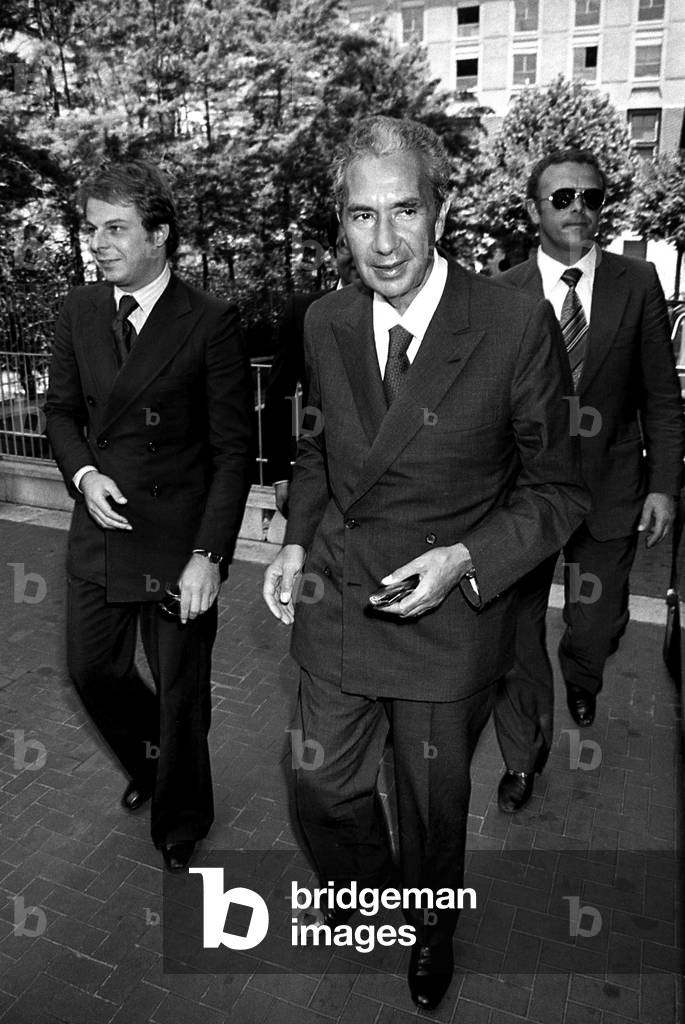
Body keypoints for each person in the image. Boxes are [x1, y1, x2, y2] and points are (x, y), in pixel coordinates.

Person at [262, 116, 589, 1010]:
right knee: (318, 783)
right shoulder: (325, 320)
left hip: (447, 616)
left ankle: (429, 925)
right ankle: (373, 894)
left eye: (403, 210)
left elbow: (559, 489)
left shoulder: (512, 323)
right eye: (361, 216)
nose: (384, 241)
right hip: (340, 594)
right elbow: (317, 449)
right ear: (340, 223)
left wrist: (465, 560)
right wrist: (294, 539)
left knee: (431, 807)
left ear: (439, 212)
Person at [45, 160, 253, 871]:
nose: (98, 244)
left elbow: (232, 452)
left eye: (116, 229)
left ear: (159, 234)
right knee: (90, 670)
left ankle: (181, 815)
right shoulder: (78, 311)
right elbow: (61, 412)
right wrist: (84, 474)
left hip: (177, 542)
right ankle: (153, 762)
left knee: (181, 694)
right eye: (92, 229)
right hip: (99, 527)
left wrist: (210, 555)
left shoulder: (210, 320)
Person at [493, 148, 684, 814]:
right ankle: (523, 757)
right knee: (518, 634)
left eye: (592, 197)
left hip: (611, 488)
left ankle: (582, 670)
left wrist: (663, 485)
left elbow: (661, 394)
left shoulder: (638, 283)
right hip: (525, 496)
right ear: (533, 210)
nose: (579, 208)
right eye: (562, 196)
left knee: (595, 622)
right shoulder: (503, 292)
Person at [262, 217, 359, 516]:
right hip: (319, 479)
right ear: (333, 253)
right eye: (346, 245)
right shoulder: (304, 312)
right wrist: (281, 475)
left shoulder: (406, 312)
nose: (356, 254)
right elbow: (278, 395)